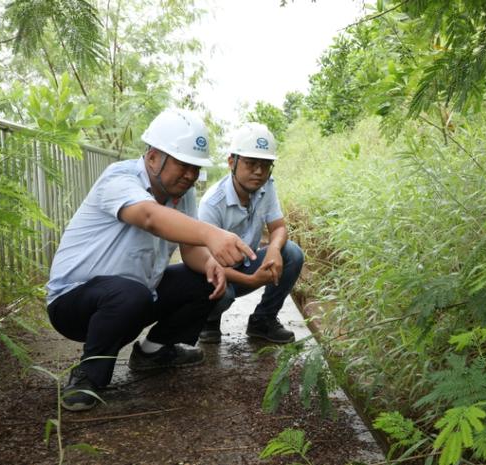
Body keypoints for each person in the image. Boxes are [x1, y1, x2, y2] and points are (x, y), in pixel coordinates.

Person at [46, 108, 255, 412]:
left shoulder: (181, 195)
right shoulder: (119, 178)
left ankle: (154, 351)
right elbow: (149, 217)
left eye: (195, 168)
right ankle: (87, 377)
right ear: (154, 156)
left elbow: (190, 247)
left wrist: (209, 262)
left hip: (134, 298)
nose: (190, 175)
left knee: (202, 280)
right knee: (129, 293)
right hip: (75, 302)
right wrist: (212, 234)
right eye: (183, 165)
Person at [197, 122, 304, 345]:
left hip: (247, 264)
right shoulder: (212, 204)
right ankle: (208, 320)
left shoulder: (266, 186)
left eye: (265, 165)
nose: (258, 172)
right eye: (250, 163)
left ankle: (262, 320)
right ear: (231, 162)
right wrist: (251, 279)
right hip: (215, 273)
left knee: (291, 253)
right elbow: (203, 262)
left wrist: (274, 249)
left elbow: (279, 227)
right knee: (221, 293)